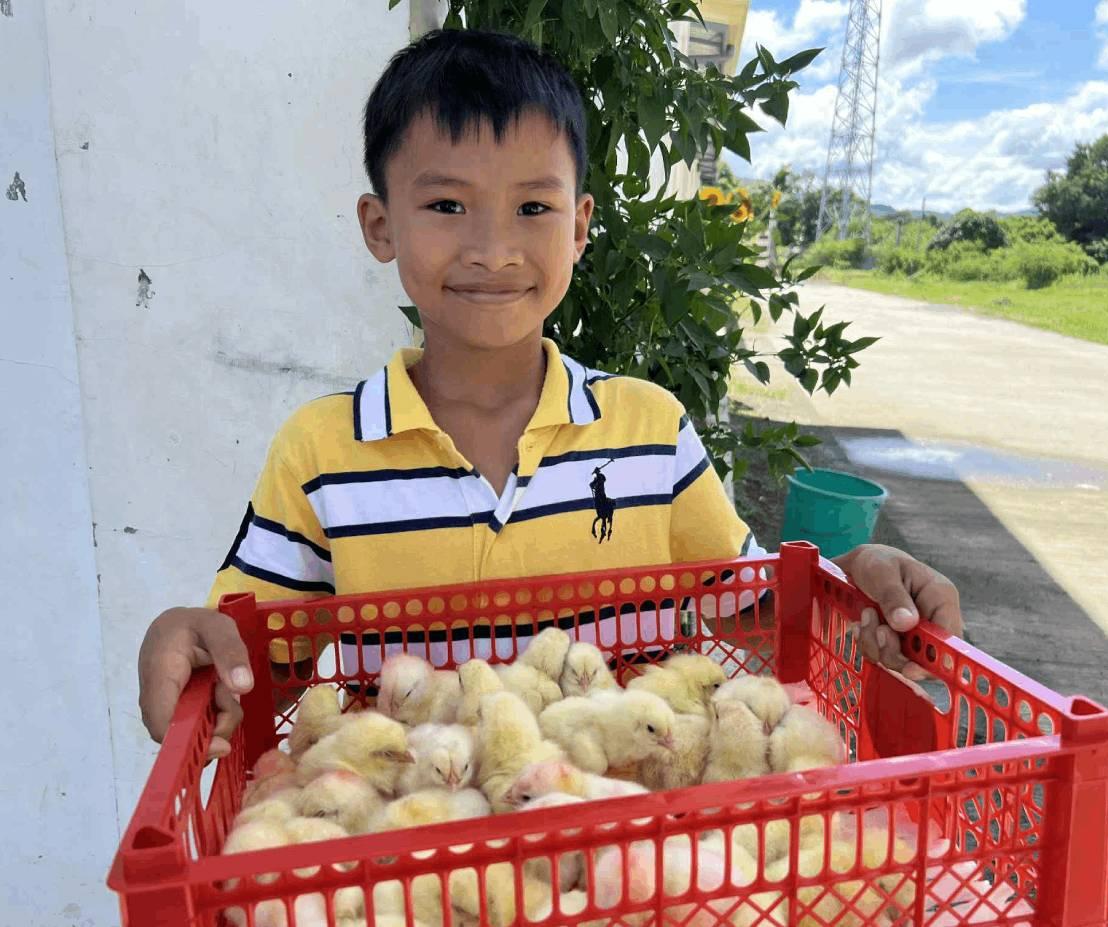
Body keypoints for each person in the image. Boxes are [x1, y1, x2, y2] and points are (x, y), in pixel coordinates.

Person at [137, 28, 961, 761]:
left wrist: (851, 583)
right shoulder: (322, 453)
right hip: (413, 838)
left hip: (629, 840)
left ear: (579, 226)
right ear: (381, 225)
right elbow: (259, 670)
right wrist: (189, 641)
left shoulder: (650, 433)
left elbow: (754, 610)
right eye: (446, 204)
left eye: (534, 206)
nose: (493, 248)